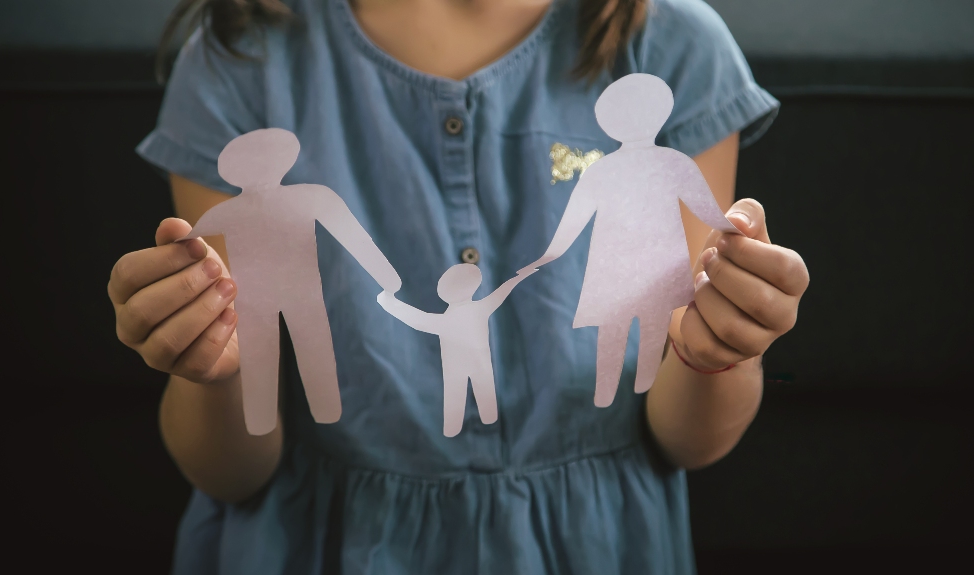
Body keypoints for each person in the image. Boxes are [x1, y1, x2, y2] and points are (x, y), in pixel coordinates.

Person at [107, 0, 809, 573]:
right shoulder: (239, 56)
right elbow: (229, 468)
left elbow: (690, 437)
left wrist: (722, 343)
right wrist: (209, 367)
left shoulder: (676, 45)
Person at [521, 73, 741, 406]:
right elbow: (708, 210)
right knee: (640, 330)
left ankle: (608, 394)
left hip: (636, 266)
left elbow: (708, 211)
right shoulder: (664, 163)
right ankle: (612, 393)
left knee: (629, 330)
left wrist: (737, 232)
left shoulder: (608, 169)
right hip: (633, 265)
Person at [185, 128, 401, 434]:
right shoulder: (307, 197)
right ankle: (300, 415)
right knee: (293, 352)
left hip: (281, 297)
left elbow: (352, 235)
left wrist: (387, 276)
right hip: (280, 297)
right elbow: (353, 235)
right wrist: (388, 278)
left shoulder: (228, 212)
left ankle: (275, 419)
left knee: (286, 354)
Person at [377, 264, 536, 437]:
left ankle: (453, 429)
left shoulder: (446, 319)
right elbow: (502, 292)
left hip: (455, 367)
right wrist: (519, 277)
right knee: (484, 391)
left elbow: (417, 319)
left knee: (455, 396)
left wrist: (389, 303)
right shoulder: (480, 308)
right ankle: (489, 420)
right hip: (479, 362)